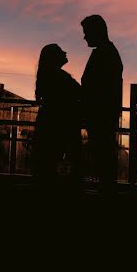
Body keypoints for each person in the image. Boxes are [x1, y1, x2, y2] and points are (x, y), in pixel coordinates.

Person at [80, 15, 123, 192]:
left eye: (86, 33)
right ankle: (107, 191)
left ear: (95, 32)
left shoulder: (103, 54)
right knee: (103, 155)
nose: (84, 37)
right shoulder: (108, 52)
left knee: (102, 155)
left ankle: (107, 192)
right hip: (103, 114)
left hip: (100, 116)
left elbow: (93, 85)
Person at [32, 43, 82, 186]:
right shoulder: (59, 77)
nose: (65, 53)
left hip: (49, 126)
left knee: (48, 167)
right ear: (53, 58)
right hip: (62, 128)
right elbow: (79, 93)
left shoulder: (48, 76)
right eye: (60, 52)